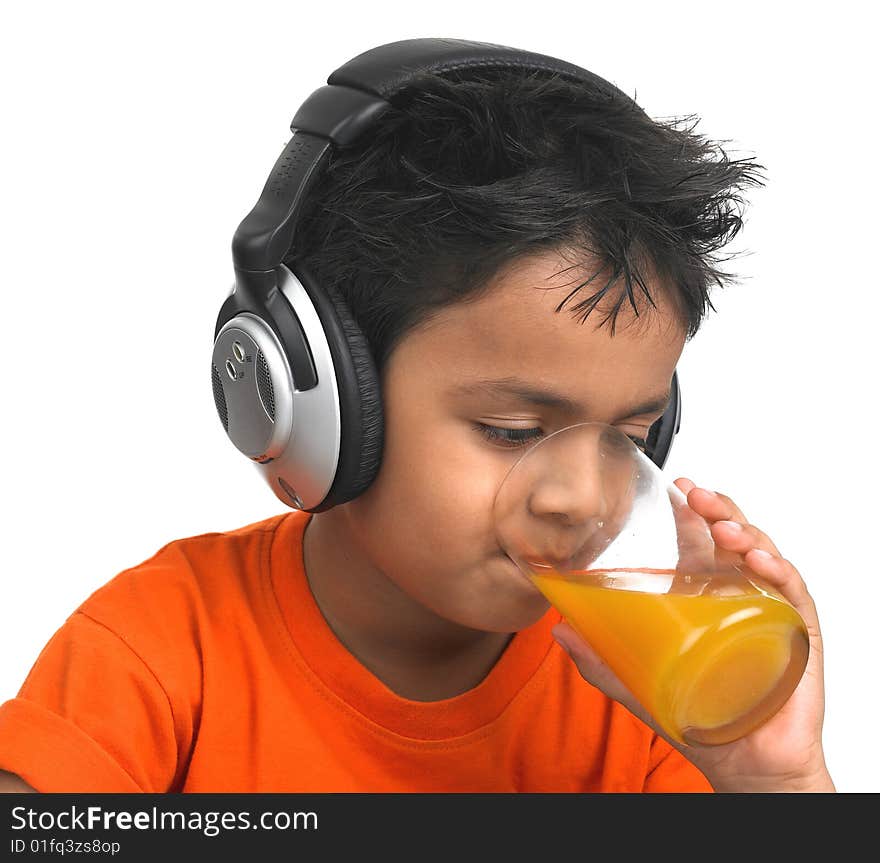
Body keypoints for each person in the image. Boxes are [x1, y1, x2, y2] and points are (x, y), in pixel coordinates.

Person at [0, 60, 834, 793]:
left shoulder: (639, 692)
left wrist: (777, 780)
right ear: (324, 406)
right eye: (511, 428)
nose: (583, 497)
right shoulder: (158, 649)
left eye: (628, 434)